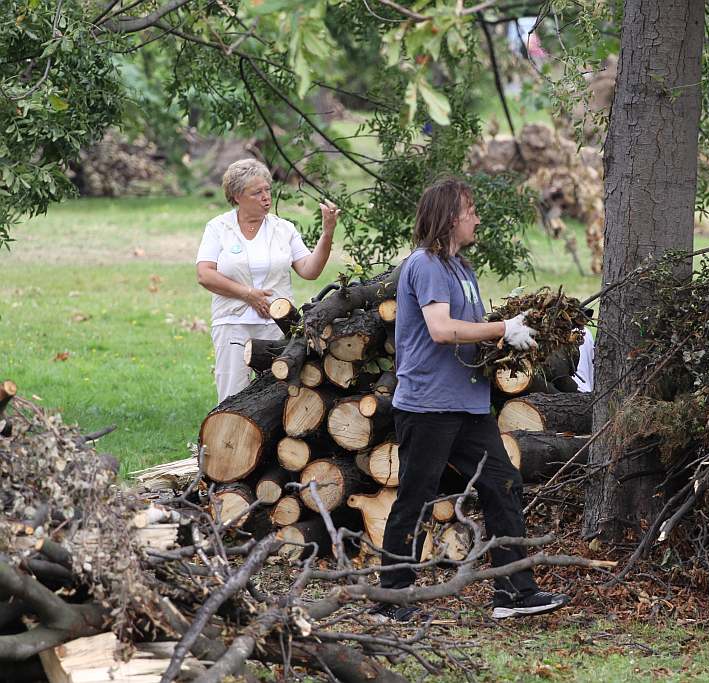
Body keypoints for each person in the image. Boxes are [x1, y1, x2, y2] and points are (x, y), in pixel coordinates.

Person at [371, 177, 570, 622]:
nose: (478, 218)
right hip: (427, 406)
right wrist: (501, 329)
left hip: (469, 405)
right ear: (449, 217)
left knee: (504, 484)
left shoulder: (463, 269)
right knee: (416, 496)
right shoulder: (424, 265)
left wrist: (506, 338)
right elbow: (442, 330)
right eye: (471, 210)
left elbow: (468, 332)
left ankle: (513, 593)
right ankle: (392, 599)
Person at [196, 158, 338, 402]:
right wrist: (246, 294)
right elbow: (205, 274)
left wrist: (327, 233)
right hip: (232, 323)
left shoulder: (283, 229)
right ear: (237, 196)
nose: (266, 198)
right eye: (257, 192)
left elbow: (309, 270)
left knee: (277, 397)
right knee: (232, 395)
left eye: (267, 190)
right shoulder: (218, 228)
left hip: (278, 325)